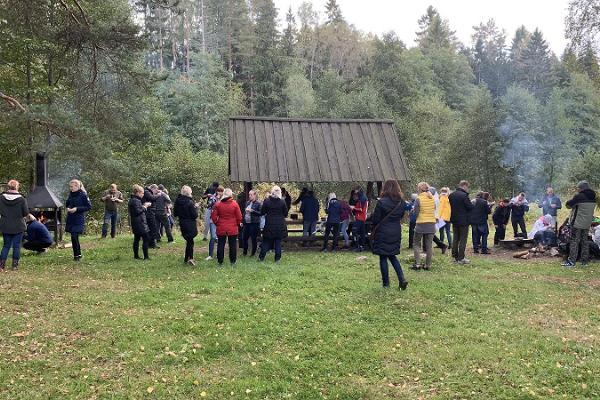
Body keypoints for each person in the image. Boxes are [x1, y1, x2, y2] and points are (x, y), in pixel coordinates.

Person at [370, 180, 408, 289]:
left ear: (385, 188)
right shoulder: (402, 202)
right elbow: (401, 216)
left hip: (383, 231)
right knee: (392, 255)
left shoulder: (381, 202)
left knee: (383, 257)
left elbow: (376, 219)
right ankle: (402, 279)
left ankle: (386, 284)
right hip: (396, 230)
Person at [562, 181, 597, 267]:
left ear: (581, 188)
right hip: (587, 223)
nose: (578, 190)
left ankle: (571, 261)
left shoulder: (579, 196)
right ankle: (584, 261)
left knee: (574, 241)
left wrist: (573, 197)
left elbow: (568, 205)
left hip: (577, 223)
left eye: (578, 188)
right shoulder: (593, 196)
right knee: (585, 241)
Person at [0, 180, 29, 271]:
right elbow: (25, 213)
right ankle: (14, 266)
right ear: (17, 187)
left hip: (5, 225)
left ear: (8, 187)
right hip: (18, 225)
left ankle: (1, 265)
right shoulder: (22, 199)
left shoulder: (1, 197)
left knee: (6, 245)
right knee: (16, 246)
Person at [211, 188, 242, 266]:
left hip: (221, 227)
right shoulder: (235, 204)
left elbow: (213, 217)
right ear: (231, 195)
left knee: (221, 244)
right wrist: (237, 224)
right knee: (233, 245)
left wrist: (217, 223)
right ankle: (233, 261)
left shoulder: (218, 204)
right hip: (232, 227)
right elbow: (239, 217)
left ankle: (220, 262)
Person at [258, 186, 288, 262]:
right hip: (280, 225)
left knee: (266, 242)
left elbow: (262, 212)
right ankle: (277, 259)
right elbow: (285, 214)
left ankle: (261, 258)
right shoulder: (282, 202)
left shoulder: (267, 201)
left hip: (269, 225)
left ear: (272, 192)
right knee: (278, 242)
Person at [412, 182, 436, 270]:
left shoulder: (418, 198)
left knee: (416, 243)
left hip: (421, 224)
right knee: (429, 245)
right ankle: (428, 265)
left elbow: (416, 213)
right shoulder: (432, 198)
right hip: (431, 224)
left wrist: (413, 211)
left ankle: (417, 264)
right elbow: (434, 209)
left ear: (419, 189)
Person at [65, 179, 92, 261]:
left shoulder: (83, 195)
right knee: (73, 237)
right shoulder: (71, 194)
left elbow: (88, 207)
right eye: (70, 187)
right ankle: (77, 256)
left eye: (72, 186)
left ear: (77, 186)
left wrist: (77, 209)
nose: (70, 188)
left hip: (78, 219)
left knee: (74, 236)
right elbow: (68, 203)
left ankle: (77, 255)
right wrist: (68, 208)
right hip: (71, 218)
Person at [449, 180, 474, 264]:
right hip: (464, 221)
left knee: (455, 238)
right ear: (464, 186)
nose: (467, 189)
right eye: (467, 187)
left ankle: (455, 256)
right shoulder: (464, 195)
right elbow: (469, 207)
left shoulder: (451, 195)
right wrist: (473, 203)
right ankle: (461, 258)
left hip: (454, 219)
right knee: (463, 239)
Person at [173, 185, 199, 266]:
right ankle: (190, 258)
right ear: (189, 193)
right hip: (190, 223)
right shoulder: (190, 202)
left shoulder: (177, 201)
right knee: (190, 241)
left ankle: (187, 259)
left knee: (189, 241)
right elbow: (194, 215)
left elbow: (175, 213)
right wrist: (195, 208)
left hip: (182, 222)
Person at [128, 185, 151, 260]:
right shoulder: (136, 200)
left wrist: (143, 206)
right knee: (146, 238)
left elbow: (137, 209)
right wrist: (145, 206)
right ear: (137, 193)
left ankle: (136, 256)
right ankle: (146, 257)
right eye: (142, 193)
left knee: (137, 239)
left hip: (136, 222)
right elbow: (137, 212)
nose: (143, 195)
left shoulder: (133, 200)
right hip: (140, 223)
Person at [205, 186, 224, 261]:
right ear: (216, 191)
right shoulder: (213, 198)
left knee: (220, 238)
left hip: (221, 221)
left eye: (221, 191)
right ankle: (210, 255)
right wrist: (215, 201)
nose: (220, 193)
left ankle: (219, 255)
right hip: (213, 220)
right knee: (213, 237)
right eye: (218, 191)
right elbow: (209, 206)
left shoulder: (224, 199)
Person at [242, 190, 262, 257]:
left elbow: (261, 213)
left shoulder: (258, 203)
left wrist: (253, 211)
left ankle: (253, 253)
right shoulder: (247, 203)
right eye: (249, 194)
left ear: (255, 195)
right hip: (246, 223)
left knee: (253, 239)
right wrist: (242, 221)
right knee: (244, 238)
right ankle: (244, 252)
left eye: (251, 195)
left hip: (254, 224)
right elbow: (244, 213)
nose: (249, 196)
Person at [143, 184, 161, 249]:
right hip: (149, 212)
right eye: (156, 190)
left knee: (152, 228)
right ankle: (152, 244)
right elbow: (152, 198)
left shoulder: (148, 192)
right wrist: (158, 195)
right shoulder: (147, 192)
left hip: (151, 212)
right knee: (153, 228)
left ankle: (151, 243)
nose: (156, 192)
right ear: (153, 188)